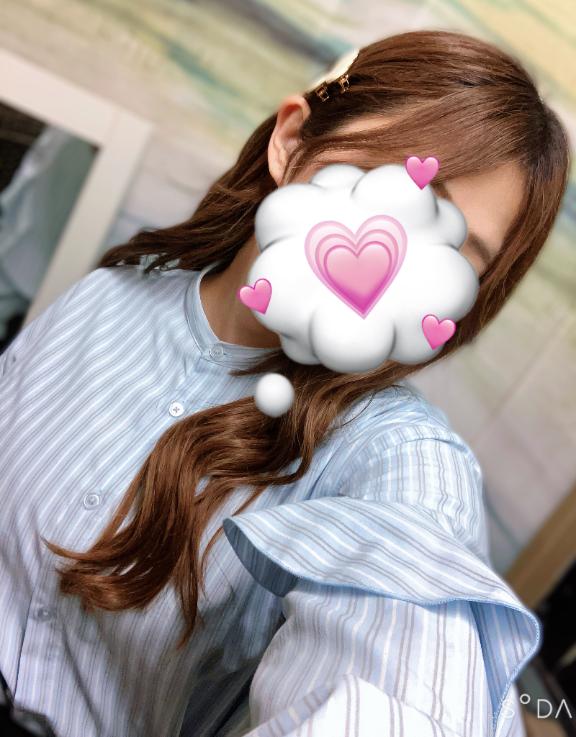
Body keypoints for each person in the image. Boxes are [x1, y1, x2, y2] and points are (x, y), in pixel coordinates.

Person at [0, 30, 570, 737]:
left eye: (457, 248)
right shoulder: (107, 295)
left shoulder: (398, 458)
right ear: (292, 141)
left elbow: (411, 675)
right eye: (392, 185)